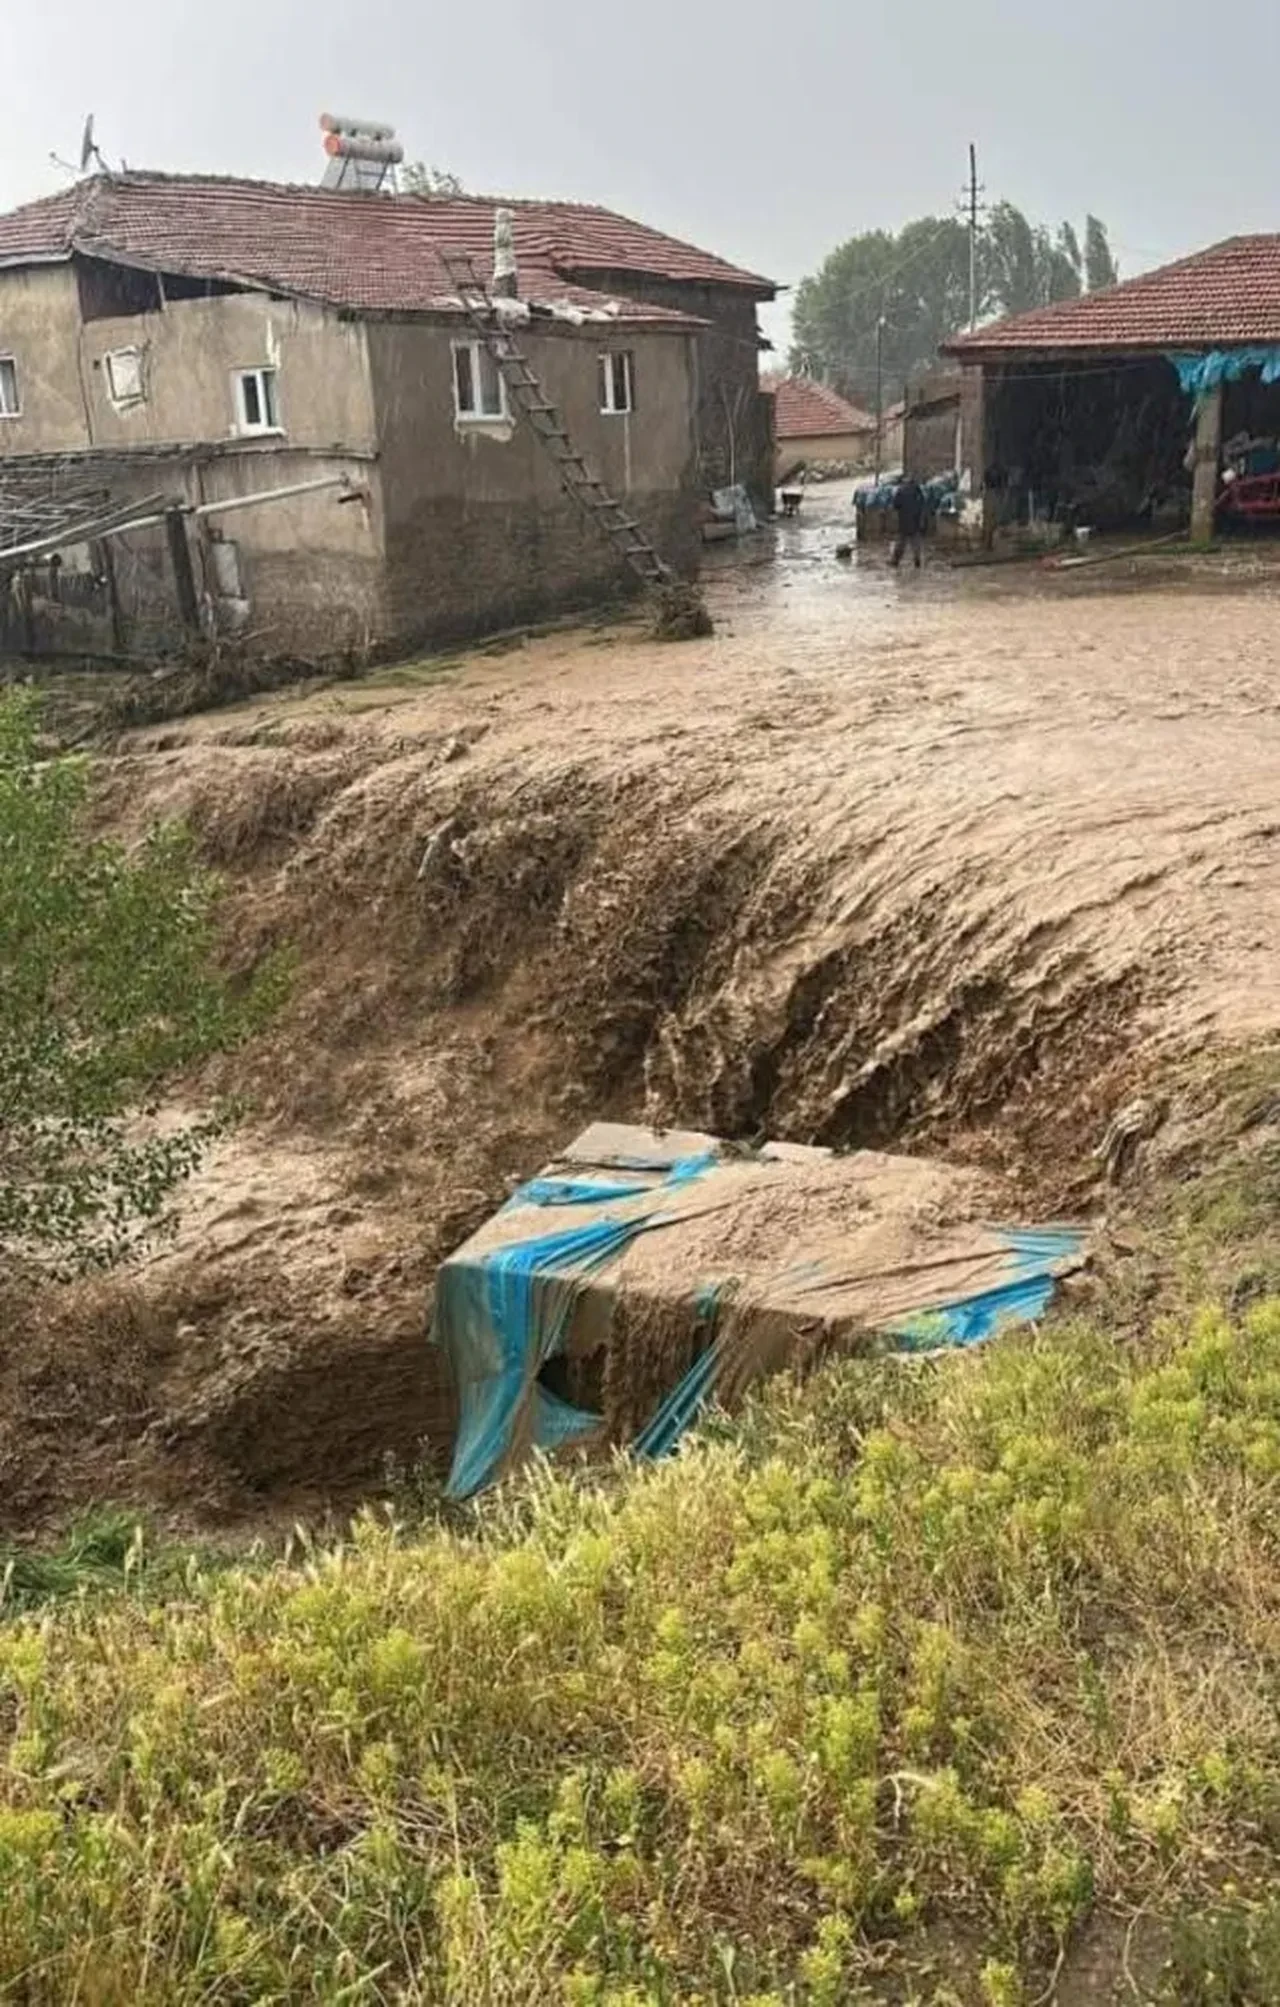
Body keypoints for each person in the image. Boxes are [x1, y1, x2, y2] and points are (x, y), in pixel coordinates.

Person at [890, 474, 927, 568]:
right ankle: (917, 561)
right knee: (915, 542)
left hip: (904, 520)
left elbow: (895, 505)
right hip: (915, 520)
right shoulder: (918, 491)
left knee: (901, 542)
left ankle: (895, 561)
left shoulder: (900, 491)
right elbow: (923, 503)